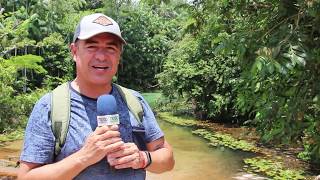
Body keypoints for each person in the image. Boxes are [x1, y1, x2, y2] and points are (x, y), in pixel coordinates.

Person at [18, 13, 174, 179]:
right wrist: (84, 157)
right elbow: (26, 177)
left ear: (119, 55)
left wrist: (143, 158)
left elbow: (168, 159)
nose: (101, 56)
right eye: (92, 47)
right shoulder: (50, 107)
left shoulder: (135, 101)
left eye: (111, 48)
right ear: (74, 51)